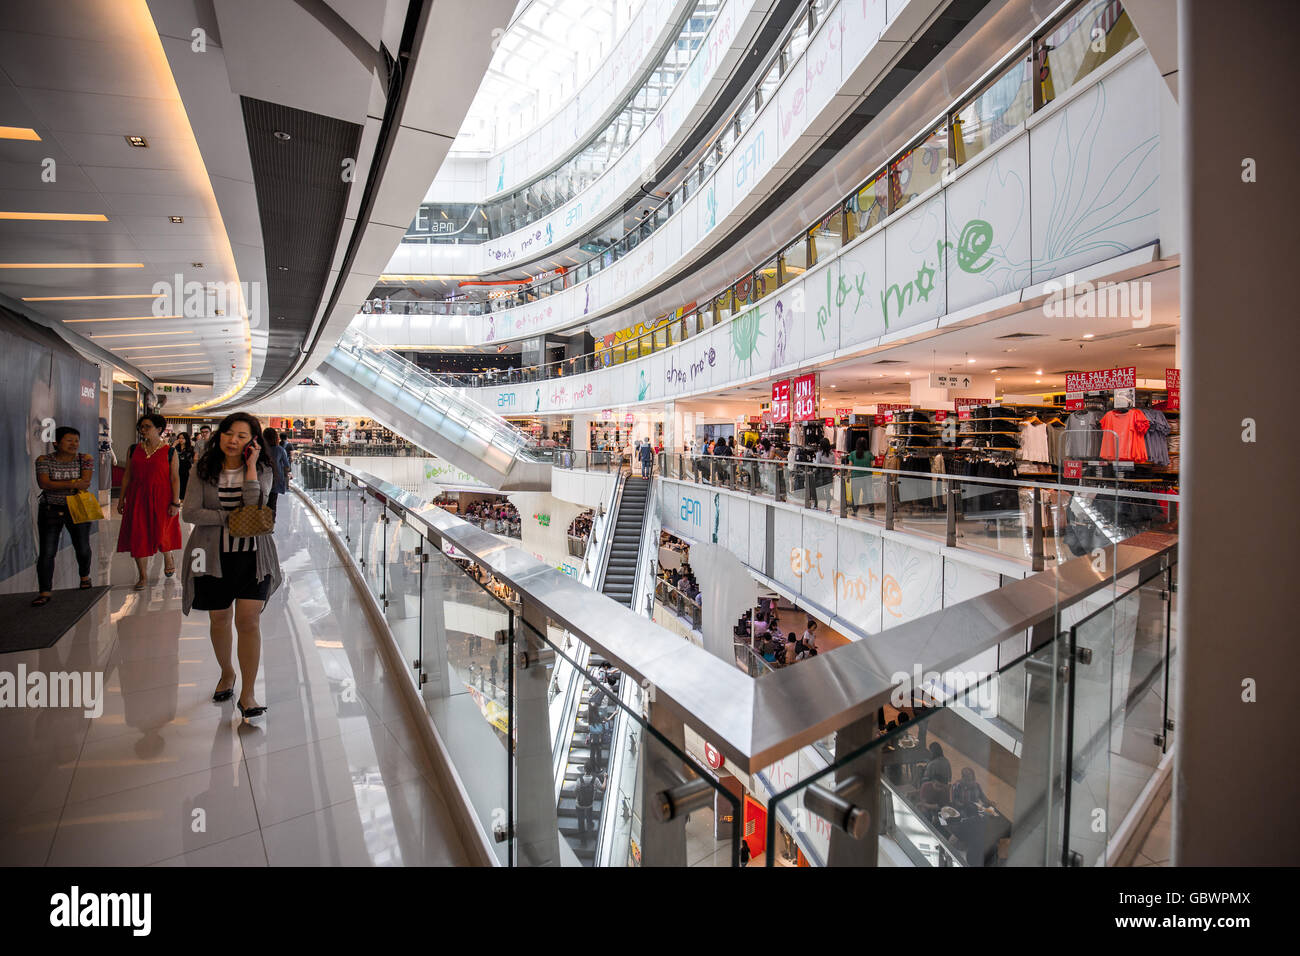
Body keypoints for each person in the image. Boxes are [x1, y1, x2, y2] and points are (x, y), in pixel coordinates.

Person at [182, 412, 283, 721]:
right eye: (229, 433)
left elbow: (255, 507)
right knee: (220, 618)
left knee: (249, 622)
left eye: (242, 436)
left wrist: (250, 467)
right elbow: (190, 513)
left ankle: (249, 694)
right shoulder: (203, 470)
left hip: (253, 557)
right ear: (219, 434)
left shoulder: (262, 469)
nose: (233, 440)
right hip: (212, 555)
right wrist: (230, 519)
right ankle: (227, 673)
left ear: (252, 441)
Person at [116, 412, 182, 589]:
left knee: (162, 534)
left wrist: (175, 502)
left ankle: (168, 557)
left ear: (159, 429)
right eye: (141, 427)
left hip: (162, 498)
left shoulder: (170, 452)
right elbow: (127, 476)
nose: (143, 430)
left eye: (147, 427)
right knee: (139, 535)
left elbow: (175, 478)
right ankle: (143, 576)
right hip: (137, 497)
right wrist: (121, 499)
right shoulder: (133, 449)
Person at [31, 426, 95, 607]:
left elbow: (85, 484)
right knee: (47, 551)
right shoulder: (43, 460)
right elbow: (44, 483)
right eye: (69, 440)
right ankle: (44, 590)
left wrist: (57, 483)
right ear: (56, 443)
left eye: (76, 440)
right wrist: (73, 483)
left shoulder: (85, 459)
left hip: (78, 507)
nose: (74, 444)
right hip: (50, 509)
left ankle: (84, 576)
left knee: (82, 547)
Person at [262, 427, 290, 517]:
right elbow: (287, 465)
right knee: (272, 502)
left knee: (262, 502)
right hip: (275, 479)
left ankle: (261, 521)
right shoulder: (280, 450)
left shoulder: (260, 449)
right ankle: (270, 523)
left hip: (262, 478)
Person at [848, 435, 873, 516]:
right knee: (868, 493)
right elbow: (872, 465)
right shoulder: (869, 454)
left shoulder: (852, 454)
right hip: (867, 477)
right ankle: (871, 510)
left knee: (855, 494)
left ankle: (855, 510)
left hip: (855, 477)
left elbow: (850, 467)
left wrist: (848, 475)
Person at [173, 432, 195, 500]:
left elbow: (192, 460)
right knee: (177, 487)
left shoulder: (191, 448)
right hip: (177, 470)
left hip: (186, 471)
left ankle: (183, 502)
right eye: (179, 438)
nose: (181, 440)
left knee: (185, 487)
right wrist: (173, 445)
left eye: (183, 438)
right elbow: (169, 455)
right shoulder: (175, 448)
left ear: (186, 439)